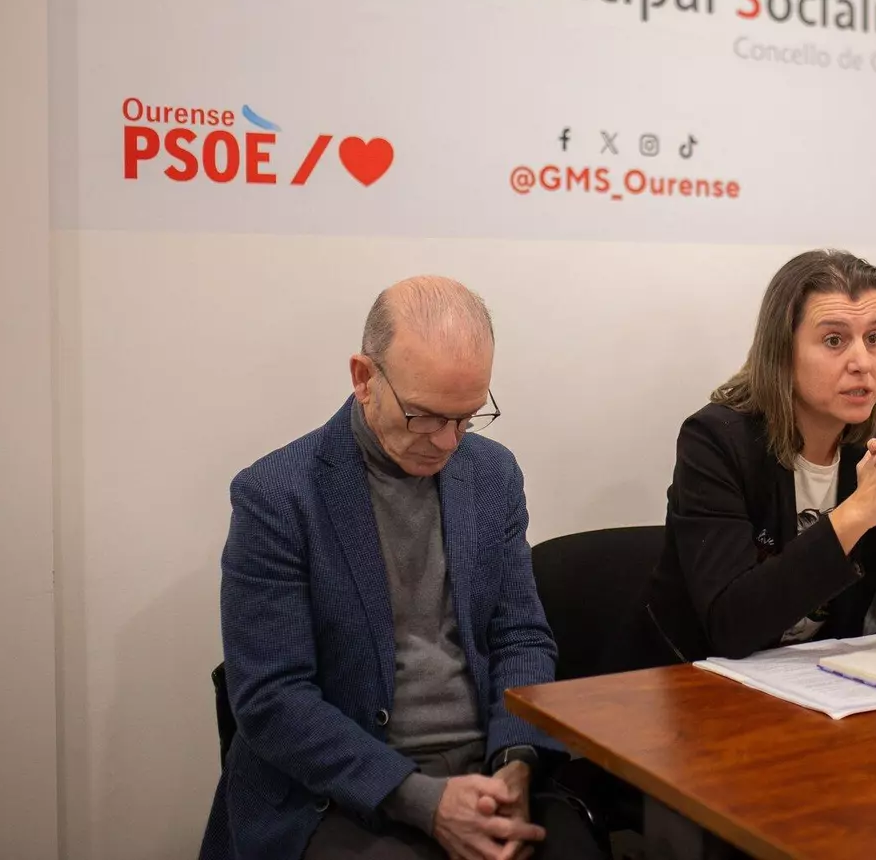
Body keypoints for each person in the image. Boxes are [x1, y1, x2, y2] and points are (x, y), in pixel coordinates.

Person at [200, 276, 604, 860]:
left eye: (466, 418)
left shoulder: (492, 475)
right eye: (425, 416)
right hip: (342, 789)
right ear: (364, 378)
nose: (446, 442)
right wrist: (422, 800)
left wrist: (517, 760)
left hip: (488, 765)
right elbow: (271, 697)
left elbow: (521, 636)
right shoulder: (279, 496)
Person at [617, 248, 876, 670]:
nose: (862, 363)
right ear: (783, 351)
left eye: (874, 338)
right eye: (834, 340)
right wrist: (859, 511)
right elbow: (731, 626)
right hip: (691, 679)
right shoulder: (716, 440)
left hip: (815, 680)